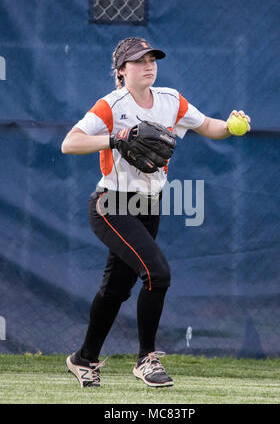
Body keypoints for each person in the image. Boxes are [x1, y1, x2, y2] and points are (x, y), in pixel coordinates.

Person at [61, 37, 251, 388]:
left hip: (149, 205)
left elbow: (210, 126)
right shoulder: (111, 104)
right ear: (121, 71)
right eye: (138, 61)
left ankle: (83, 358)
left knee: (116, 289)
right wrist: (115, 140)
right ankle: (146, 359)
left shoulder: (170, 99)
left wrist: (232, 124)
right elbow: (69, 142)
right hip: (112, 205)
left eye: (152, 59)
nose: (148, 65)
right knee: (157, 273)